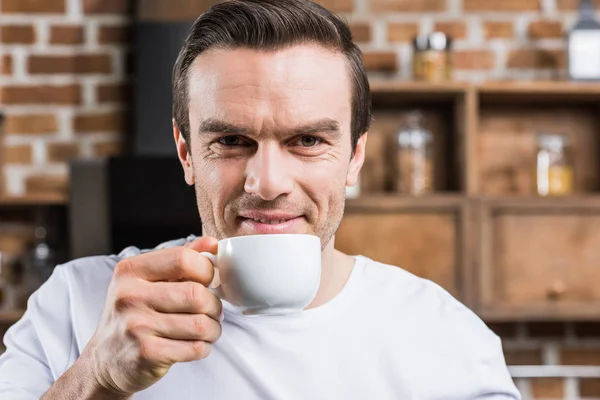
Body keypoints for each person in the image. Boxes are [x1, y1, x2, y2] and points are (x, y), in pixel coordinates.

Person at [0, 1, 521, 399]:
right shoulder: (74, 306)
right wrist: (96, 377)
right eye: (230, 141)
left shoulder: (443, 337)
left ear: (355, 156)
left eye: (309, 141)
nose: (267, 183)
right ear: (186, 153)